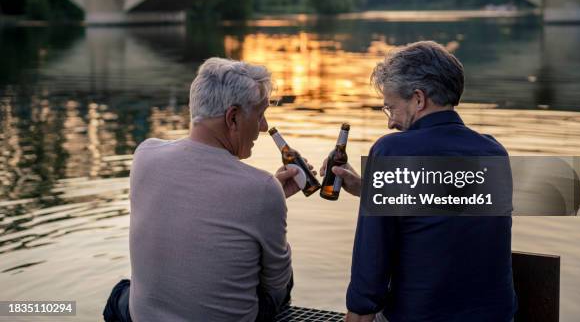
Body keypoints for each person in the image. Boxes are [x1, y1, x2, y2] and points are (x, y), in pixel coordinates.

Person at [322, 41, 517, 322]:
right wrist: (369, 188)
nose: (390, 122)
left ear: (418, 99)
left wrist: (359, 311)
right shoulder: (493, 152)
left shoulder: (392, 151)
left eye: (391, 108)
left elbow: (372, 263)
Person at [104, 58, 307, 322]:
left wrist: (270, 197)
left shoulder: (145, 155)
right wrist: (271, 198)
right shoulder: (262, 189)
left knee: (120, 294)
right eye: (260, 114)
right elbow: (276, 284)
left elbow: (194, 202)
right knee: (280, 282)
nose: (264, 127)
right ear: (232, 118)